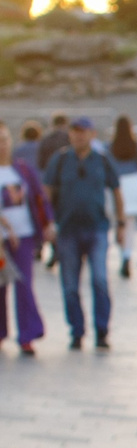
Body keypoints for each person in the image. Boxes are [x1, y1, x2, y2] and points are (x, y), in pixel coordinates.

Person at [44, 118, 125, 352]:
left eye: (83, 132)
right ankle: (77, 331)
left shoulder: (102, 160)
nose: (79, 137)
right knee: (70, 285)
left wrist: (121, 223)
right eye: (75, 132)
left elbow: (117, 191)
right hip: (68, 230)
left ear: (92, 134)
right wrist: (47, 223)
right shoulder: (59, 161)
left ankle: (102, 331)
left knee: (99, 279)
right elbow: (46, 194)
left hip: (97, 228)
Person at [0, 136, 45, 354]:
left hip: (24, 236)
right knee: (1, 285)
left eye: (4, 139)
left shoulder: (22, 169)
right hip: (1, 241)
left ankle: (27, 335)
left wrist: (47, 224)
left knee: (24, 284)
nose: (2, 144)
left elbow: (39, 197)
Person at [109, 115, 137, 278]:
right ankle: (127, 255)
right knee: (131, 224)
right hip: (133, 183)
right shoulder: (135, 146)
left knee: (118, 222)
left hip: (116, 184)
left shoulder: (109, 147)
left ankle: (121, 253)